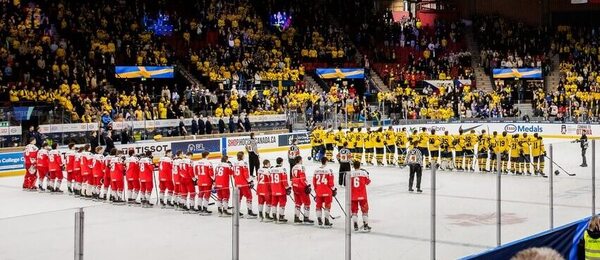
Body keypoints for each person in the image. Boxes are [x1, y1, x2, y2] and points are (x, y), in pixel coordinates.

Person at [233, 152, 257, 218]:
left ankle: (237, 212)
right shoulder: (244, 163)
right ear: (242, 156)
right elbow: (246, 174)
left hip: (237, 183)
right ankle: (249, 212)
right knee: (249, 196)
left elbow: (234, 174)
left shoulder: (235, 163)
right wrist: (250, 181)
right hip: (244, 184)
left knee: (239, 198)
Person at [313, 157, 335, 228]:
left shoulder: (316, 170)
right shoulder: (329, 170)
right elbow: (331, 182)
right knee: (327, 206)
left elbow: (314, 182)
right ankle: (326, 221)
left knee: (318, 206)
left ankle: (319, 220)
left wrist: (316, 190)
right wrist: (334, 189)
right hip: (327, 191)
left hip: (319, 191)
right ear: (326, 161)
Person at [350, 160, 372, 232]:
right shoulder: (363, 173)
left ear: (353, 166)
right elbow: (368, 182)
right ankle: (365, 225)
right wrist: (367, 175)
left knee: (354, 210)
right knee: (365, 210)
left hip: (353, 195)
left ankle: (355, 225)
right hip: (362, 195)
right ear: (359, 166)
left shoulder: (350, 174)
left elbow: (347, 184)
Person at [291, 156, 314, 224]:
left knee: (298, 202)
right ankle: (306, 218)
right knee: (307, 202)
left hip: (294, 186)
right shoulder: (301, 167)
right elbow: (302, 178)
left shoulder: (293, 167)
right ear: (299, 160)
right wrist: (307, 185)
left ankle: (296, 218)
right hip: (301, 187)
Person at [269, 157, 290, 223]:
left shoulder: (272, 169)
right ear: (281, 162)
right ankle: (281, 216)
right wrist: (287, 188)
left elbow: (269, 179)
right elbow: (284, 180)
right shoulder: (282, 169)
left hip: (273, 189)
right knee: (282, 203)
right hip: (281, 189)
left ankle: (274, 216)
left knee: (274, 203)